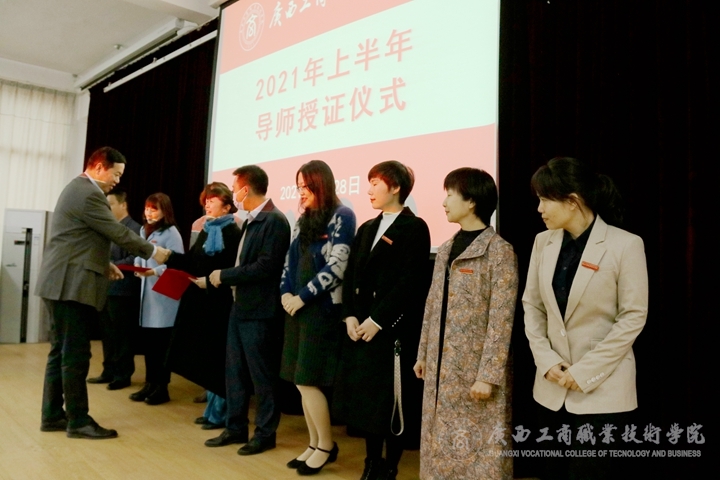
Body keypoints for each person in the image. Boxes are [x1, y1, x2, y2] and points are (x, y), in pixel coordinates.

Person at [522, 157, 648, 479]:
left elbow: (632, 317)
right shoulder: (542, 242)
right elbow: (532, 306)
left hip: (603, 390)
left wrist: (586, 371)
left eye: (545, 199)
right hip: (551, 388)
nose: (539, 209)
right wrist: (546, 361)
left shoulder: (625, 244)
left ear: (573, 201)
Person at [37, 146, 170, 439]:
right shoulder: (89, 193)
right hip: (71, 285)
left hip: (60, 280)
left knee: (60, 352)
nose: (117, 181)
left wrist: (105, 263)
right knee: (75, 355)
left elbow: (78, 240)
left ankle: (52, 415)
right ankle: (78, 421)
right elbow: (116, 231)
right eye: (116, 174)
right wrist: (154, 252)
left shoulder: (78, 189)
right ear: (99, 167)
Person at [414, 168, 518, 479]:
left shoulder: (499, 251)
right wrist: (423, 353)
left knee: (478, 453)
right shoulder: (446, 249)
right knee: (438, 447)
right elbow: (432, 305)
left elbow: (502, 318)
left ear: (471, 201)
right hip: (440, 368)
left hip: (475, 374)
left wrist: (488, 375)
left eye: (450, 194)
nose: (444, 202)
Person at [335, 161, 431, 480]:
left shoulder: (414, 227)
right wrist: (350, 314)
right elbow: (350, 275)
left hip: (392, 332)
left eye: (376, 183)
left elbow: (410, 283)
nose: (369, 190)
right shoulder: (366, 228)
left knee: (392, 402)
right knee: (367, 403)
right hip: (361, 330)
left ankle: (390, 467)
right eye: (369, 183)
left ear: (396, 187)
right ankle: (371, 462)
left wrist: (377, 320)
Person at [204, 165, 290, 455]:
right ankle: (235, 427)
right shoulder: (252, 220)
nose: (233, 194)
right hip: (240, 306)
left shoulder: (274, 220)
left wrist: (225, 275)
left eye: (235, 188)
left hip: (260, 311)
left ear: (246, 188)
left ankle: (265, 434)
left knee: (261, 376)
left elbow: (266, 267)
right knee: (235, 372)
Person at [280, 160, 356, 476]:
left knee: (308, 380)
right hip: (297, 309)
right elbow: (289, 262)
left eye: (306, 187)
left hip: (321, 311)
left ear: (321, 185)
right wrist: (285, 293)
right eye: (298, 187)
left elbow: (338, 266)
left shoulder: (342, 215)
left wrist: (302, 296)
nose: (301, 192)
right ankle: (313, 443)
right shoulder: (304, 219)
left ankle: (326, 445)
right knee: (300, 382)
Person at [165, 183, 242, 429]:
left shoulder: (234, 233)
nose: (207, 203)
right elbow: (193, 261)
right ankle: (211, 411)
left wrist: (208, 281)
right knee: (208, 358)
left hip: (221, 304)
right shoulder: (207, 230)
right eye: (206, 199)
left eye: (213, 199)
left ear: (227, 206)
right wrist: (166, 257)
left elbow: (230, 270)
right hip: (203, 302)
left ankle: (220, 414)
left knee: (219, 359)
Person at [129, 193, 184, 405]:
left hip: (163, 296)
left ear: (164, 211)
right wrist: (137, 266)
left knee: (161, 346)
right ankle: (149, 384)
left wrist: (154, 272)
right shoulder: (144, 230)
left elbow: (177, 263)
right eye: (147, 208)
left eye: (154, 209)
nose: (149, 213)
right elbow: (140, 254)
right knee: (149, 345)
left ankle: (162, 388)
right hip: (147, 296)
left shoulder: (171, 232)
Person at [86, 190, 142, 391]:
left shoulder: (135, 228)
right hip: (106, 288)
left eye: (110, 205)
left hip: (124, 290)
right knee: (108, 334)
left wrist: (110, 266)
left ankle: (123, 374)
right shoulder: (107, 227)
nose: (107, 209)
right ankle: (108, 370)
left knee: (123, 335)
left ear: (123, 205)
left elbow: (135, 258)